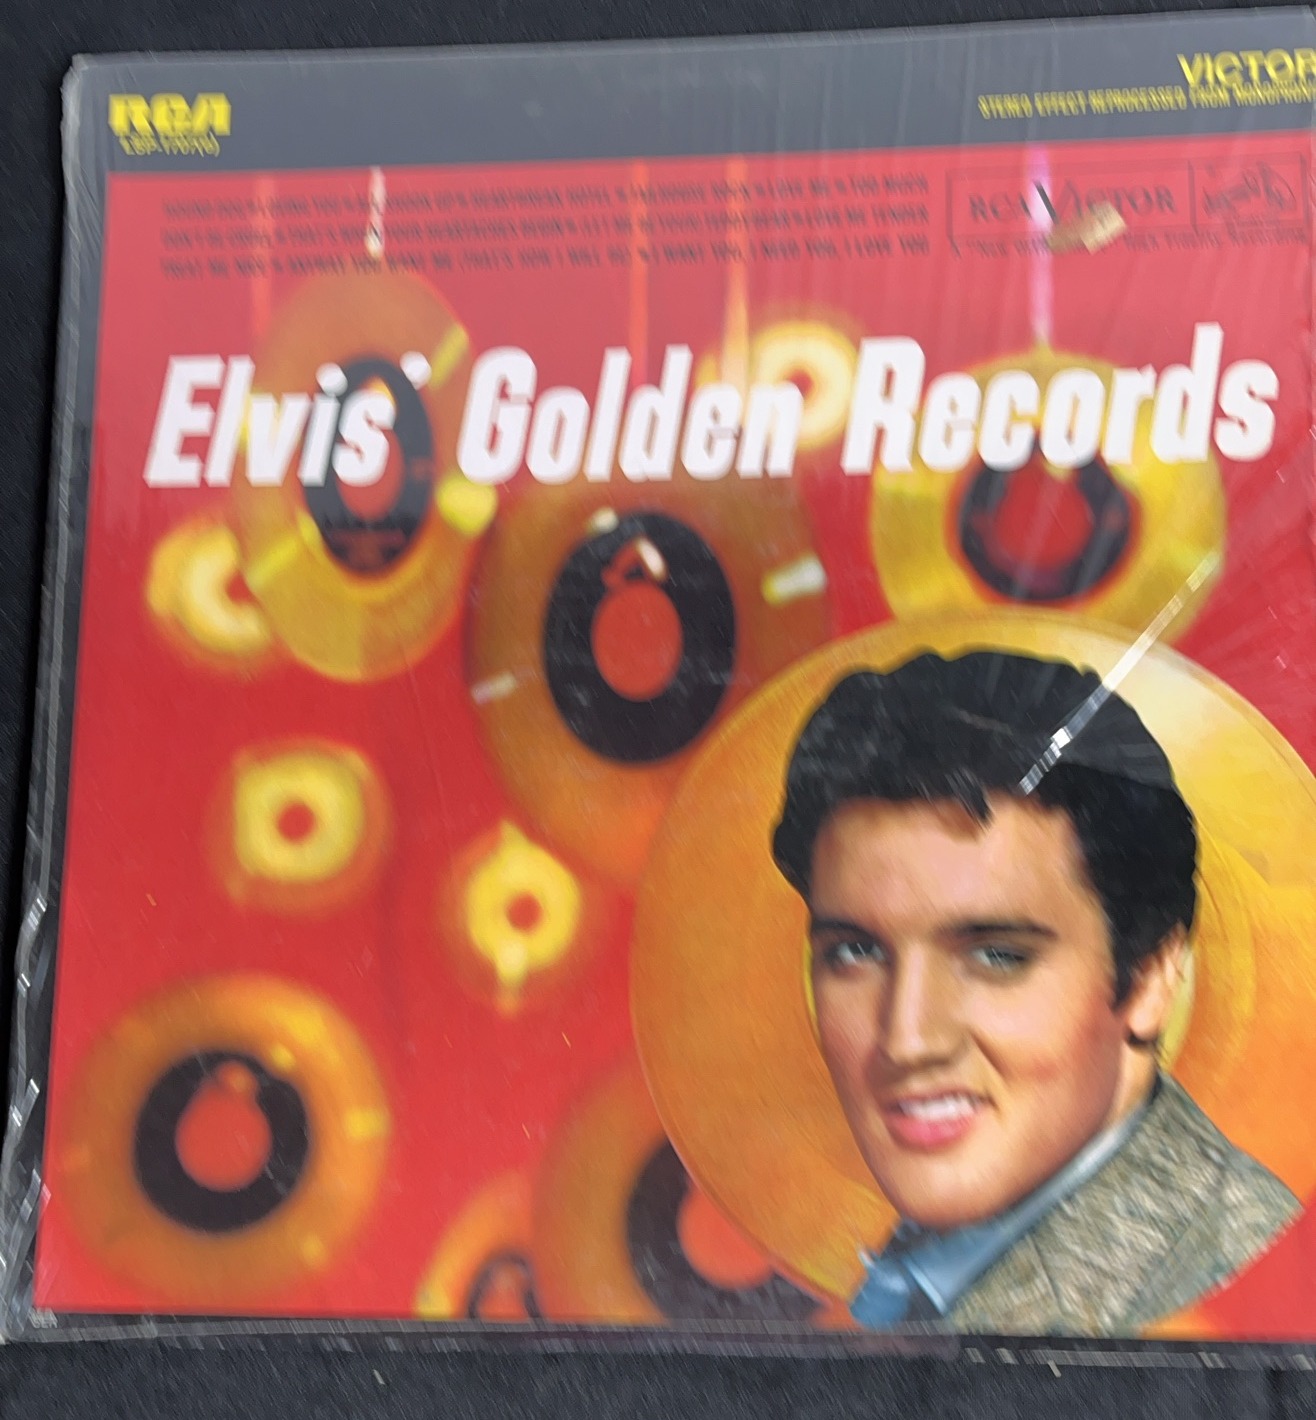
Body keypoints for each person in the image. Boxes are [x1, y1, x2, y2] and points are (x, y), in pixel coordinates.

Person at [770, 648, 1299, 1335]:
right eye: (855, 952)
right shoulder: (937, 1270)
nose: (907, 1040)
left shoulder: (1229, 1299)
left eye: (997, 956)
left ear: (1148, 978)